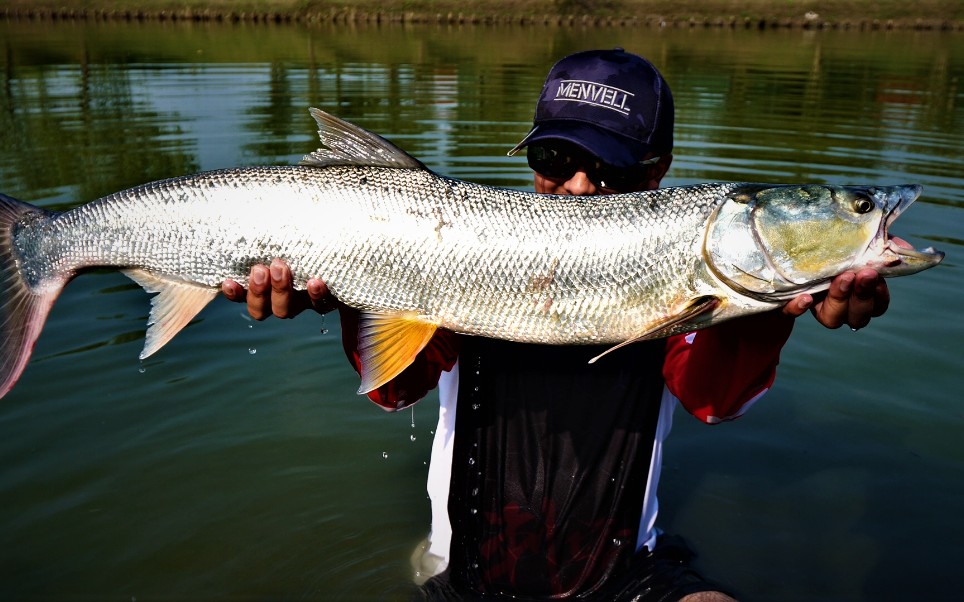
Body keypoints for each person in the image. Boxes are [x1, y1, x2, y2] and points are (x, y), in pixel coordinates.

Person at [222, 49, 891, 600]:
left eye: (606, 171)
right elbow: (393, 390)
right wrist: (352, 290)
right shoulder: (466, 248)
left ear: (657, 173)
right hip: (466, 579)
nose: (574, 185)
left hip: (623, 580)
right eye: (552, 162)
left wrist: (771, 306)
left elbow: (713, 402)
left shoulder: (683, 273)